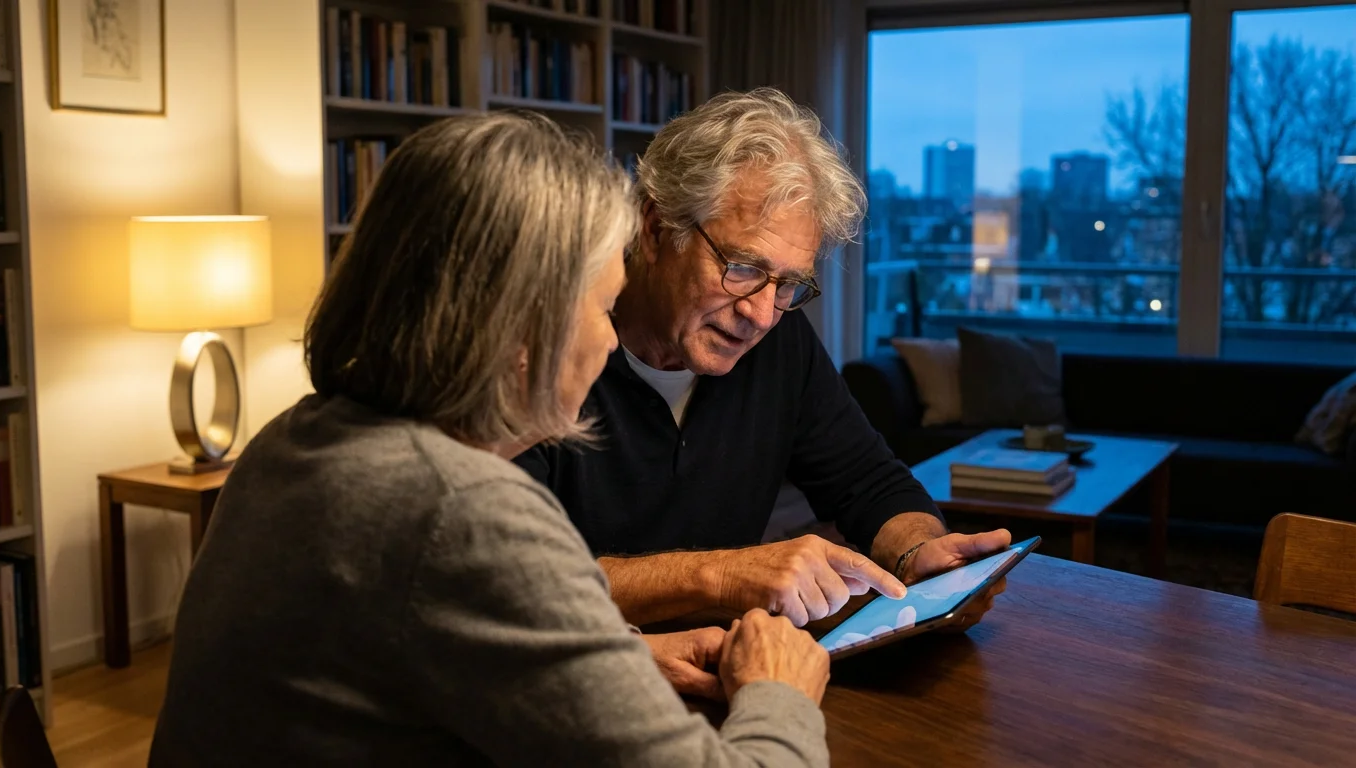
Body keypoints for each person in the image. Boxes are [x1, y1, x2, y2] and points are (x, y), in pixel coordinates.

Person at [149, 112, 832, 767]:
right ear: (522, 329)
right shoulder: (466, 512)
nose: (607, 340)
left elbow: (407, 645)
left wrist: (614, 650)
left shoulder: (291, 441)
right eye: (601, 307)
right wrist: (778, 688)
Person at [515, 88, 1011, 630]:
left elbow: (869, 482)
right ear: (655, 229)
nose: (761, 314)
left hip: (730, 669)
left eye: (789, 283)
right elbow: (513, 580)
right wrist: (724, 576)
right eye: (743, 267)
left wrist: (919, 556)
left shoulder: (780, 341)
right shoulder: (547, 347)